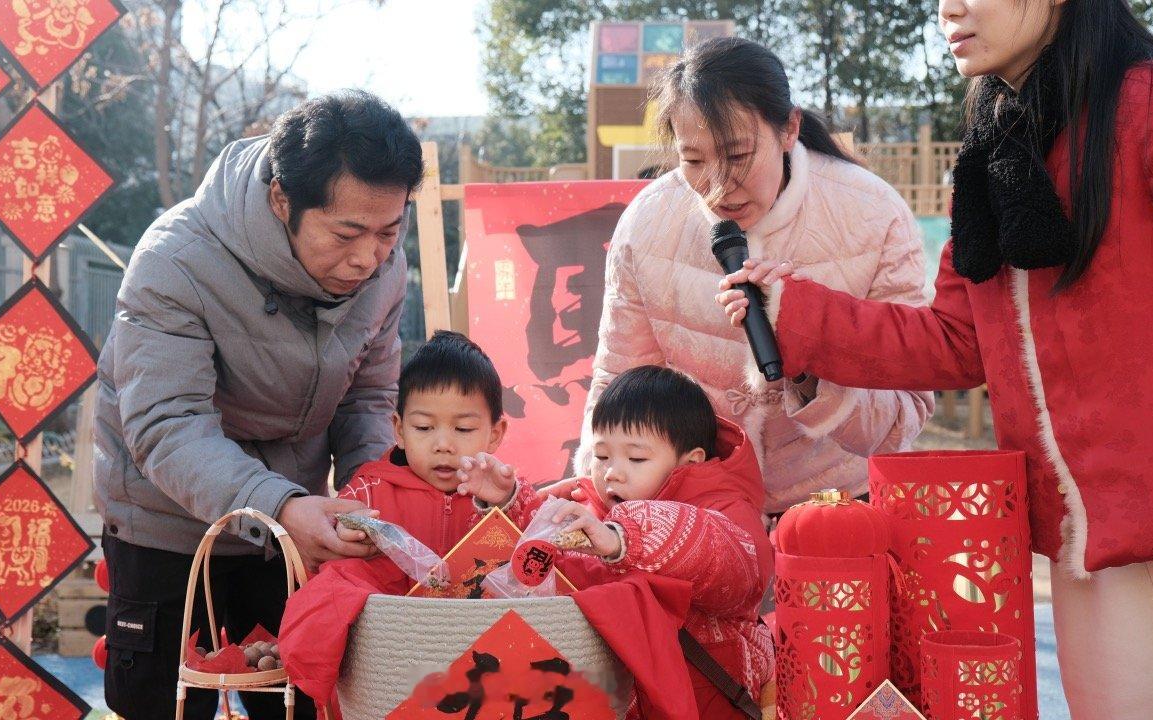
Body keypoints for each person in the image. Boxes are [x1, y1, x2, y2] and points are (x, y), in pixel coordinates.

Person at [717, 1, 1153, 716]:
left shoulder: (1145, 104)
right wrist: (795, 314)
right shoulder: (996, 149)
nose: (949, 8)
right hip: (1088, 545)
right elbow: (958, 340)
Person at [93, 90, 423, 720]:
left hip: (295, 527)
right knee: (165, 702)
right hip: (166, 527)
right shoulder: (175, 261)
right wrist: (281, 506)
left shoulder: (382, 269)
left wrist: (370, 503)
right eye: (347, 233)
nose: (368, 257)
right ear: (282, 201)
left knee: (302, 700)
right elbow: (167, 425)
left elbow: (369, 398)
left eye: (389, 230)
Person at [577, 37, 933, 518]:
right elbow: (619, 380)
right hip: (699, 512)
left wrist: (808, 366)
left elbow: (904, 414)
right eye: (695, 161)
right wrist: (594, 496)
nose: (718, 187)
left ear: (789, 129)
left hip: (839, 510)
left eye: (738, 154)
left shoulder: (871, 214)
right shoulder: (649, 223)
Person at [461, 365, 774, 719]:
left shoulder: (724, 508)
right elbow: (554, 570)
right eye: (602, 455)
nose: (612, 472)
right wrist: (510, 504)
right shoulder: (589, 506)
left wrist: (623, 539)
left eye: (636, 457)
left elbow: (735, 565)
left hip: (707, 703)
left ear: (690, 461)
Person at [331, 330, 509, 555]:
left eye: (463, 429)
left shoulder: (503, 492)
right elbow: (335, 522)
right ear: (400, 430)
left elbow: (538, 541)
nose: (443, 445)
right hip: (385, 591)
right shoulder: (370, 490)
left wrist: (506, 502)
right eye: (424, 427)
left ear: (494, 434)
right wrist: (346, 527)